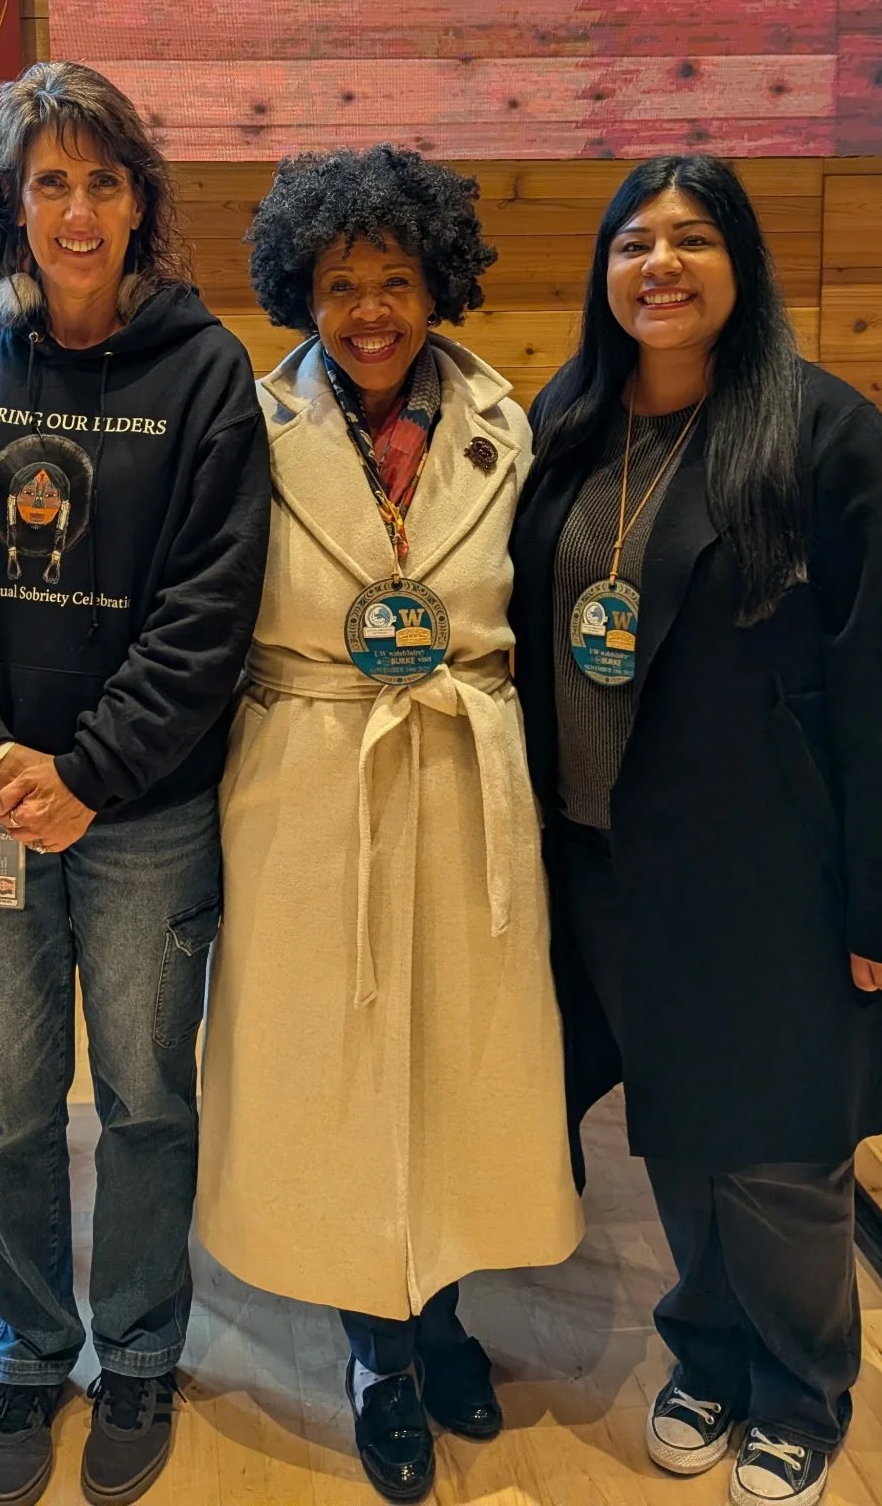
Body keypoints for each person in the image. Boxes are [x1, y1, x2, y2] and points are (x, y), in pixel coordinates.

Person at [509, 155, 882, 1506]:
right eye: (635, 240)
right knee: (679, 1133)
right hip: (603, 858)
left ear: (739, 265)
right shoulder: (571, 424)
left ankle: (801, 1393)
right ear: (604, 273)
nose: (661, 265)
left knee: (779, 1151)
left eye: (693, 238)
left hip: (769, 878)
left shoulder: (828, 437)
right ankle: (704, 1350)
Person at [197, 146, 583, 1506]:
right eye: (342, 282)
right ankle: (376, 1344)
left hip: (469, 763)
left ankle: (445, 1311)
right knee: (337, 1061)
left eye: (398, 281)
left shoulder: (505, 422)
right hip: (309, 772)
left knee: (462, 1061)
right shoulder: (246, 422)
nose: (370, 311)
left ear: (440, 288)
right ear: (300, 291)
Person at [0, 61, 270, 1506]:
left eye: (102, 182)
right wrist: (2, 759)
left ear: (141, 207)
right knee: (6, 1104)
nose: (76, 209)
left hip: (144, 818)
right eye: (48, 182)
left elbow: (209, 610)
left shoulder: (206, 377)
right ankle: (28, 1354)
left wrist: (94, 773)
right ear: (12, 205)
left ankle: (135, 1351)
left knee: (142, 1100)